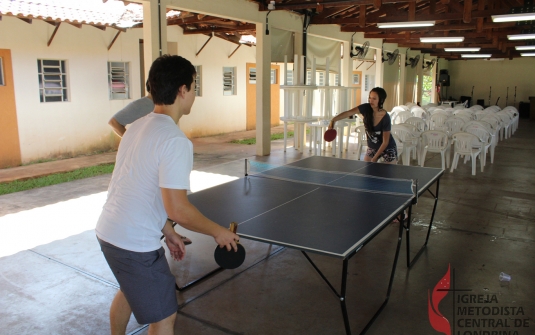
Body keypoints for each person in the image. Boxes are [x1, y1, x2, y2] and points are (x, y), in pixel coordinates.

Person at [96, 55, 239, 335]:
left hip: (109, 231)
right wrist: (217, 232)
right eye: (194, 87)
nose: (194, 94)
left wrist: (168, 231)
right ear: (183, 90)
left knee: (129, 289)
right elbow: (178, 208)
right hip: (133, 243)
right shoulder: (175, 141)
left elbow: (137, 188)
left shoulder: (137, 127)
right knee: (164, 316)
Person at [108, 82, 192, 245]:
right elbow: (114, 122)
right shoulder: (145, 104)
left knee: (163, 198)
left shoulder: (166, 115)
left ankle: (170, 232)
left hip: (120, 234)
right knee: (166, 200)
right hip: (132, 239)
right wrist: (136, 143)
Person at [328, 87, 397, 164]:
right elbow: (348, 113)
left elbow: (385, 142)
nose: (371, 100)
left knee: (389, 172)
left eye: (374, 98)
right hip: (373, 147)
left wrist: (375, 157)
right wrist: (334, 119)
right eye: (370, 98)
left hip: (387, 147)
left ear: (381, 100)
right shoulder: (366, 108)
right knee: (367, 168)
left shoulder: (385, 117)